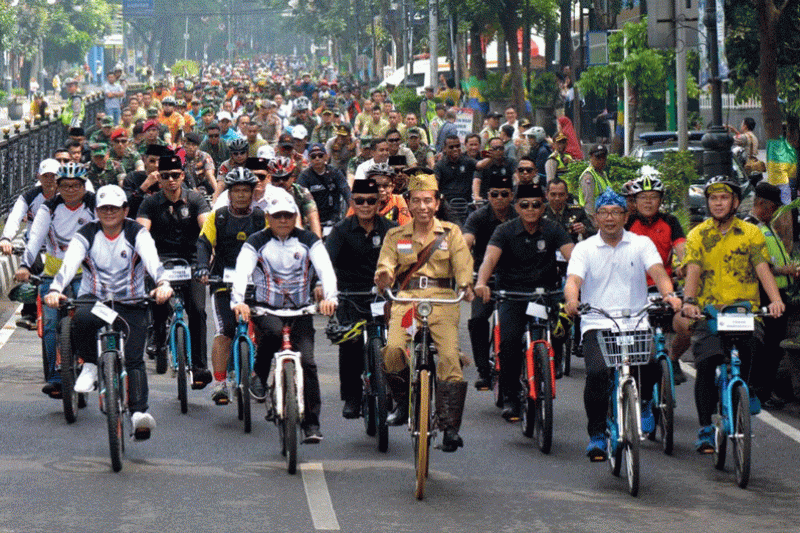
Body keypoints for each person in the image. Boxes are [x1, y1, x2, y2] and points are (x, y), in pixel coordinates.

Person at [44, 185, 172, 439]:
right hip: (97, 301)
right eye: (104, 208)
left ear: (125, 210)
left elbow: (152, 261)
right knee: (79, 316)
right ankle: (90, 363)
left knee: (135, 359)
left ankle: (138, 414)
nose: (109, 213)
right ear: (97, 211)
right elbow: (69, 266)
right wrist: (56, 289)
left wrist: (163, 283)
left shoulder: (137, 232)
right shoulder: (86, 233)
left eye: (115, 208)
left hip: (131, 301)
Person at [564, 188, 682, 461]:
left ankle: (646, 402)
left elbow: (658, 272)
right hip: (597, 322)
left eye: (616, 212)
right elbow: (574, 281)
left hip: (635, 322)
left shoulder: (641, 244)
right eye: (603, 213)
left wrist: (669, 295)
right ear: (595, 218)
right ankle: (597, 434)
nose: (609, 218)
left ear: (625, 216)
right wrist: (572, 300)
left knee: (651, 364)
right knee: (596, 374)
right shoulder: (584, 249)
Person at [681, 176, 785, 451]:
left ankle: (746, 388)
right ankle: (705, 427)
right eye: (713, 198)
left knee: (753, 347)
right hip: (709, 312)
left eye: (723, 198)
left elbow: (763, 269)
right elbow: (692, 271)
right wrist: (689, 302)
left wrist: (775, 301)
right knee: (707, 363)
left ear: (736, 202)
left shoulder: (751, 234)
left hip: (744, 310)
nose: (718, 203)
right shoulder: (697, 235)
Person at [374, 172, 474, 452]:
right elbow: (386, 265)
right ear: (408, 203)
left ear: (437, 203)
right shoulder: (396, 235)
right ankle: (405, 403)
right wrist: (383, 277)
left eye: (427, 200)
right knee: (393, 351)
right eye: (416, 201)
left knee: (450, 358)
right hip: (406, 300)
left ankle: (450, 427)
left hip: (442, 301)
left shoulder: (450, 233)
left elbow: (463, 263)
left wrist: (466, 285)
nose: (422, 207)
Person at [231, 187, 338, 443]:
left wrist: (330, 298)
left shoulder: (309, 239)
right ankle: (258, 374)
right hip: (266, 307)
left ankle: (311, 424)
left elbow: (325, 268)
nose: (282, 221)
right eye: (277, 216)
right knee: (273, 332)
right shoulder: (256, 241)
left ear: (295, 217)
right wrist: (238, 301)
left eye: (288, 216)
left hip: (301, 310)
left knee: (308, 362)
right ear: (268, 217)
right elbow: (242, 271)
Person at [474, 184, 575, 419]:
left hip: (544, 295)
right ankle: (510, 396)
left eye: (536, 205)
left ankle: (555, 354)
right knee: (509, 344)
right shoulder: (504, 231)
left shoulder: (553, 229)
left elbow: (574, 257)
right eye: (525, 205)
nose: (531, 209)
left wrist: (581, 280)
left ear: (543, 207)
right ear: (517, 207)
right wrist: (481, 282)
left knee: (565, 322)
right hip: (513, 295)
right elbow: (489, 259)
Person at [14, 163, 97, 398]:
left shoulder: (95, 204)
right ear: (58, 187)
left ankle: (93, 363)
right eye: (65, 186)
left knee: (90, 317)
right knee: (50, 324)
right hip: (53, 274)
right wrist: (24, 265)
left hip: (86, 273)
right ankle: (55, 377)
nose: (71, 190)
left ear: (84, 186)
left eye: (76, 185)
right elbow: (35, 238)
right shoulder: (48, 209)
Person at [135, 154, 212, 389]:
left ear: (182, 176)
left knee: (198, 311)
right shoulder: (150, 203)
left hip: (191, 261)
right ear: (159, 179)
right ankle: (157, 335)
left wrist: (208, 257)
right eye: (165, 176)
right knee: (157, 303)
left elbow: (207, 228)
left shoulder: (196, 199)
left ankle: (199, 366)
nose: (171, 180)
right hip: (161, 261)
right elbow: (140, 233)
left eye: (175, 175)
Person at [325, 178, 397, 417]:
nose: (365, 205)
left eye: (370, 201)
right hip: (350, 295)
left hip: (384, 295)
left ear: (379, 203)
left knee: (399, 342)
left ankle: (398, 392)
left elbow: (406, 261)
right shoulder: (341, 230)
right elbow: (326, 263)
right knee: (350, 343)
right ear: (352, 202)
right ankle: (352, 397)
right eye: (359, 201)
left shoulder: (392, 229)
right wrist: (322, 288)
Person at [196, 168, 266, 405]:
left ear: (252, 193)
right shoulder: (219, 216)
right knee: (225, 330)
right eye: (236, 191)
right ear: (229, 192)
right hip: (223, 282)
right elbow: (204, 243)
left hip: (255, 283)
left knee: (266, 329)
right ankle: (219, 382)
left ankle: (259, 374)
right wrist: (203, 268)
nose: (241, 195)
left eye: (246, 191)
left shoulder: (261, 218)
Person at [625, 171, 690, 384]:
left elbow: (682, 250)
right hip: (633, 292)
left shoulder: (670, 221)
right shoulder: (627, 222)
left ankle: (672, 358)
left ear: (660, 200)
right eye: (643, 197)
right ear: (634, 201)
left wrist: (684, 265)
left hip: (664, 290)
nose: (648, 202)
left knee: (688, 325)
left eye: (653, 197)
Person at [743, 182, 799, 409]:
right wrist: (783, 270)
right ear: (761, 205)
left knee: (773, 346)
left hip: (778, 293)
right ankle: (758, 391)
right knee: (765, 346)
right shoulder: (750, 227)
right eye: (773, 207)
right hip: (764, 296)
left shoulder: (764, 226)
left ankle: (764, 391)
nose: (776, 212)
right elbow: (755, 265)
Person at [463, 173, 517, 389]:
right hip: (483, 279)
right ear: (488, 196)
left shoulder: (519, 214)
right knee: (477, 320)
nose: (500, 198)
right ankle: (483, 370)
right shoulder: (478, 217)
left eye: (504, 194)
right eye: (495, 194)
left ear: (511, 196)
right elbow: (466, 241)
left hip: (513, 279)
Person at [1, 158, 61, 329]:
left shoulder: (67, 196)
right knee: (35, 271)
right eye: (46, 176)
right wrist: (6, 239)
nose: (50, 180)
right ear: (38, 177)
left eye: (53, 176)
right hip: (35, 245)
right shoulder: (29, 197)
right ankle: (31, 312)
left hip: (61, 246)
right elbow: (15, 217)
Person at [297, 143, 352, 226]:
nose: (317, 159)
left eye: (320, 155)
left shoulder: (335, 173)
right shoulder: (304, 176)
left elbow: (346, 192)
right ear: (309, 158)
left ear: (326, 156)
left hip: (334, 220)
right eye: (313, 156)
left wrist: (352, 212)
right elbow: (299, 199)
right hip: (312, 221)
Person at [268, 156, 323, 238]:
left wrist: (318, 243)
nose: (281, 182)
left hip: (297, 233)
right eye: (276, 179)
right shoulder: (266, 193)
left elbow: (313, 219)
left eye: (285, 178)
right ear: (270, 178)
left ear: (293, 177)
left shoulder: (301, 192)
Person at [346, 163, 411, 225]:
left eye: (385, 186)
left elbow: (406, 227)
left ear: (392, 187)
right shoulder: (359, 201)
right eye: (376, 185)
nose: (381, 189)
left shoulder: (398, 200)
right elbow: (346, 228)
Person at [434, 134, 476, 205]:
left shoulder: (467, 160)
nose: (455, 149)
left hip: (466, 203)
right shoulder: (439, 165)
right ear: (444, 148)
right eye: (451, 147)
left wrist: (491, 158)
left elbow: (480, 165)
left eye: (457, 146)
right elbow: (435, 185)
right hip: (446, 204)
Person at [474, 137, 516, 201]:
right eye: (495, 148)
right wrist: (476, 196)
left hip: (506, 198)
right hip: (487, 199)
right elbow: (477, 180)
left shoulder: (511, 162)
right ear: (489, 150)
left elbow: (516, 178)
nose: (498, 151)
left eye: (501, 148)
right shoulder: (483, 164)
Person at [578, 144, 611, 218]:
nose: (601, 160)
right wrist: (594, 222)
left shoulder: (602, 174)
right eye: (598, 158)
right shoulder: (588, 176)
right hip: (593, 218)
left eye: (603, 157)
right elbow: (589, 203)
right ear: (591, 158)